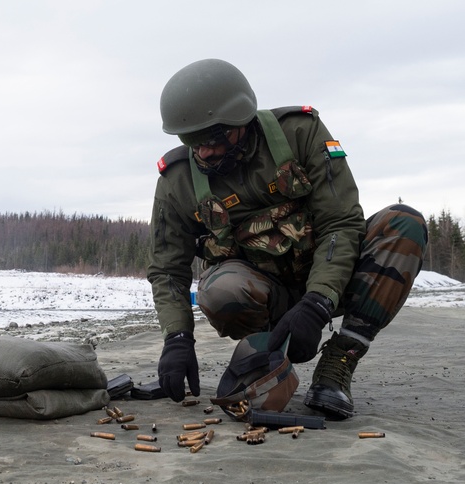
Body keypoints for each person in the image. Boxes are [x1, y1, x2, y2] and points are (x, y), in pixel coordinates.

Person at [148, 58, 428, 419]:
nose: (204, 152)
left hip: (332, 281)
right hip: (265, 296)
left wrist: (318, 302)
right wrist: (177, 338)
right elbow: (166, 268)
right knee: (220, 290)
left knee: (403, 225)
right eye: (193, 142)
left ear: (241, 121)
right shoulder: (178, 180)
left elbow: (341, 222)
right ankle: (268, 353)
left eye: (215, 139)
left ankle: (339, 361)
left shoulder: (300, 132)